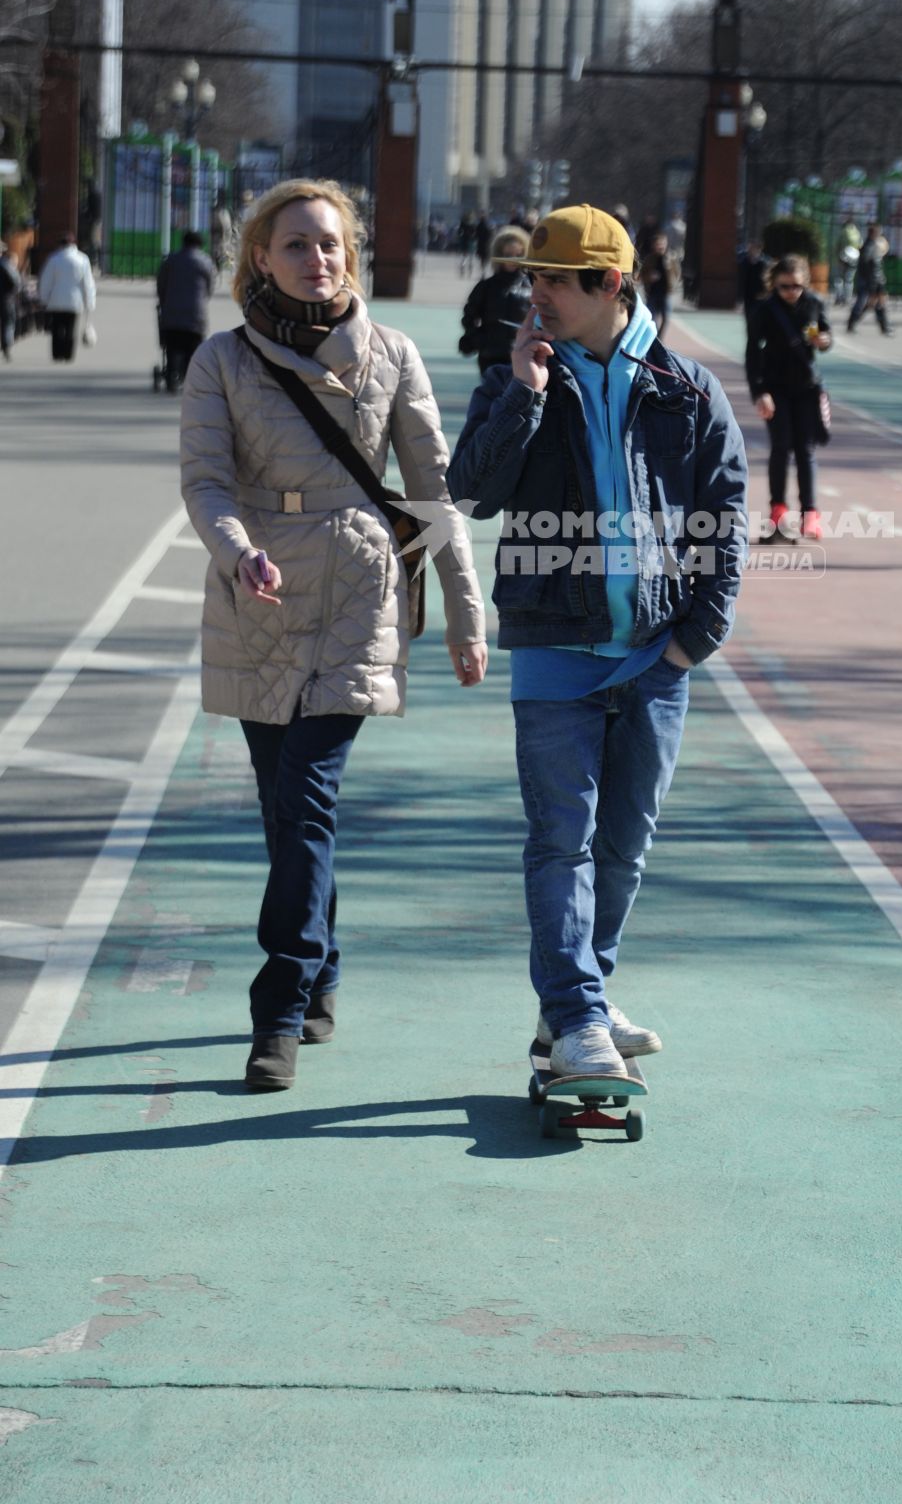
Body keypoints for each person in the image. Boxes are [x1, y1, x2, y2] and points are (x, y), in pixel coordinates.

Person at [180, 178, 488, 1094]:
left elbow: (433, 496)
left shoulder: (391, 354)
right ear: (259, 260)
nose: (319, 259)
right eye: (297, 245)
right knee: (287, 810)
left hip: (358, 587)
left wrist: (469, 617)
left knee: (308, 794)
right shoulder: (221, 363)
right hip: (261, 595)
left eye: (330, 243)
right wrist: (238, 553)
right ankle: (324, 965)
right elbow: (205, 482)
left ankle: (276, 1005)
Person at [447, 204, 747, 1082]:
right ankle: (577, 1017)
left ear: (609, 285)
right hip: (552, 651)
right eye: (529, 276)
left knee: (623, 846)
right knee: (560, 842)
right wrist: (522, 394)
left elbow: (721, 522)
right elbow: (473, 490)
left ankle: (581, 997)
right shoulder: (515, 375)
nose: (532, 294)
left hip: (658, 657)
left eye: (551, 280)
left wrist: (696, 638)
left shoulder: (688, 390)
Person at [746, 254, 832, 541]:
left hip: (807, 387)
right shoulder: (764, 309)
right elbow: (752, 353)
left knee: (806, 450)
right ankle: (778, 511)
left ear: (804, 282)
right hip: (775, 388)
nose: (791, 292)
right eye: (784, 287)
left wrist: (824, 341)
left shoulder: (814, 303)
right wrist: (759, 392)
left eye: (796, 286)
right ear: (775, 284)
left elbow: (825, 334)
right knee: (781, 447)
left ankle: (811, 515)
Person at [457, 225, 533, 372]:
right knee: (491, 392)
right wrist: (479, 339)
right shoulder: (486, 287)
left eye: (518, 254)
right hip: (491, 355)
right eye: (508, 254)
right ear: (499, 254)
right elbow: (469, 316)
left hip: (522, 355)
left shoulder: (532, 287)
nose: (513, 259)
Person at [156, 229, 216, 393]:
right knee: (193, 349)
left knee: (172, 346)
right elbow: (210, 287)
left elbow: (161, 285)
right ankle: (190, 378)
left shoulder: (170, 260)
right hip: (196, 315)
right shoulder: (206, 262)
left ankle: (171, 375)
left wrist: (164, 301)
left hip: (172, 314)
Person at [37, 231, 96, 361]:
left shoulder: (54, 259)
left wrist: (43, 298)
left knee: (56, 328)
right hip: (75, 301)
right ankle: (68, 354)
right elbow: (88, 283)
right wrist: (90, 301)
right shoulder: (82, 259)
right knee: (70, 328)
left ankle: (57, 353)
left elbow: (46, 280)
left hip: (56, 300)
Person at [847, 227, 891, 334]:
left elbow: (876, 266)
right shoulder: (870, 246)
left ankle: (884, 327)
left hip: (875, 280)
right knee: (867, 303)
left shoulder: (873, 245)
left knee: (877, 303)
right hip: (870, 281)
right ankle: (852, 323)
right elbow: (868, 266)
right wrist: (873, 281)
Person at [639, 230, 672, 338]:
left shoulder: (670, 258)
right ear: (654, 246)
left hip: (665, 292)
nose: (660, 246)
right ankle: (655, 337)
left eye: (662, 243)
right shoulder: (649, 259)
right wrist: (649, 277)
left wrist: (673, 285)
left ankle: (659, 337)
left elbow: (677, 274)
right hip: (652, 292)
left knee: (666, 317)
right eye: (658, 244)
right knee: (652, 318)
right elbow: (642, 275)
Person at [833, 221, 862, 307]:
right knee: (849, 279)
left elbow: (837, 245)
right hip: (854, 257)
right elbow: (860, 245)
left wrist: (837, 256)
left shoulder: (843, 232)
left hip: (843, 257)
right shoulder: (857, 232)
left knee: (839, 278)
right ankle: (847, 298)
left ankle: (839, 297)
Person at [0, 239, 19, 361]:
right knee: (8, 322)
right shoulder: (5, 264)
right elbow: (16, 282)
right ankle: (6, 347)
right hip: (5, 298)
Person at [738, 239, 768, 314]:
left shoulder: (763, 263)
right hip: (747, 294)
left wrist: (764, 292)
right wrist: (740, 296)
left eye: (753, 248)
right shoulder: (744, 262)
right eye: (750, 248)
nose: (751, 250)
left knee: (758, 314)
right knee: (748, 314)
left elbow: (765, 279)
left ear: (759, 249)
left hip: (759, 294)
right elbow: (742, 279)